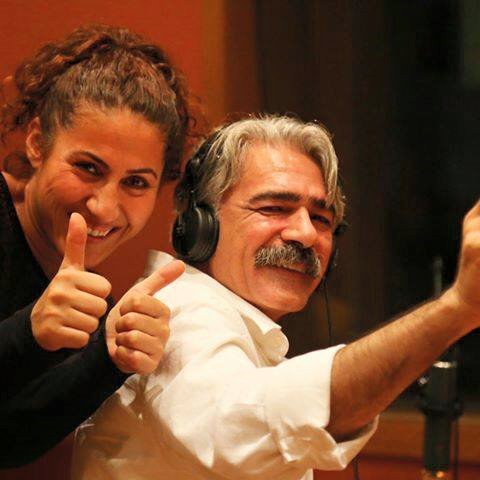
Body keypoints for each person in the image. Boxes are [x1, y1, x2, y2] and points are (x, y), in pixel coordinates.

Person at [72, 115, 480, 480]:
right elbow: (239, 425)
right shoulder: (172, 315)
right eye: (273, 208)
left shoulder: (239, 327)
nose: (305, 234)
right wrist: (456, 308)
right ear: (199, 226)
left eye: (321, 218)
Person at [0, 24, 193, 467]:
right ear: (37, 143)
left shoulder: (86, 304)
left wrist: (111, 357)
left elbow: (8, 443)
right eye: (88, 167)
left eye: (136, 183)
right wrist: (28, 333)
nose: (104, 208)